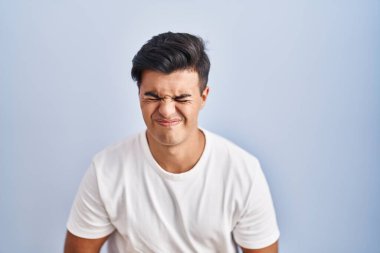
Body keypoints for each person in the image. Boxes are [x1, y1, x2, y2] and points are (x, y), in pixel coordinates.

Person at [64, 32, 280, 253]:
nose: (166, 110)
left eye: (181, 98)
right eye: (153, 96)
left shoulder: (243, 172)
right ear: (139, 95)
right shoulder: (106, 170)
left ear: (203, 97)